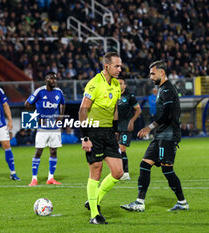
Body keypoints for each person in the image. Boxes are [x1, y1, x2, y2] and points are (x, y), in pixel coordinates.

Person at [120, 60, 189, 212]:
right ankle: (139, 202)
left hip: (168, 135)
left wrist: (150, 127)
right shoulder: (162, 89)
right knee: (145, 165)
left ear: (162, 72)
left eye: (153, 73)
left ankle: (182, 202)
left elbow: (168, 114)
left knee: (167, 169)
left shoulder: (167, 90)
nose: (150, 76)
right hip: (160, 135)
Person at [79, 52, 123, 224]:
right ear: (107, 66)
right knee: (96, 170)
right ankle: (94, 215)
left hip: (109, 133)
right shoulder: (95, 83)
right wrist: (85, 137)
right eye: (116, 66)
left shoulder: (116, 85)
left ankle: (93, 200)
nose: (119, 69)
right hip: (93, 132)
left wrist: (116, 130)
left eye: (120, 66)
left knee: (118, 172)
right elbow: (83, 110)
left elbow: (114, 110)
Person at [25, 72, 66, 186]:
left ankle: (51, 178)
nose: (54, 81)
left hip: (54, 127)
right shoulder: (39, 91)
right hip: (42, 127)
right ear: (46, 79)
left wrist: (60, 117)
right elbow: (27, 104)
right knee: (39, 151)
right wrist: (36, 116)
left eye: (55, 79)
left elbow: (63, 103)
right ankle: (34, 179)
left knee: (53, 151)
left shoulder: (59, 92)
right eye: (52, 79)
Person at [117, 77, 142, 181]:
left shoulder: (129, 96)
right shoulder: (112, 95)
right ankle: (118, 172)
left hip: (126, 126)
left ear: (125, 85)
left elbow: (138, 110)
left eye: (121, 83)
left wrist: (132, 121)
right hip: (115, 126)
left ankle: (125, 173)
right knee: (116, 150)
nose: (119, 85)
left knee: (122, 148)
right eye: (117, 84)